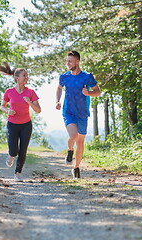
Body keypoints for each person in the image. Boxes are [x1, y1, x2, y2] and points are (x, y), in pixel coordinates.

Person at [55, 51, 101, 179]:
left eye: (70, 61)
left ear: (77, 61)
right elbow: (59, 88)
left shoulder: (87, 77)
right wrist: (57, 101)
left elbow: (98, 91)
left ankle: (76, 168)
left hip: (82, 113)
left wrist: (89, 93)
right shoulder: (64, 77)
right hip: (68, 112)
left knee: (80, 142)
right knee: (73, 135)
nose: (67, 63)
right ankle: (70, 150)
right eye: (67, 61)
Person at [0, 62, 41, 182]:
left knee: (23, 150)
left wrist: (30, 103)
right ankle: (11, 155)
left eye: (27, 76)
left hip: (26, 125)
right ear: (17, 78)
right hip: (12, 124)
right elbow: (2, 106)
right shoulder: (9, 92)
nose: (27, 78)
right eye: (24, 76)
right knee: (13, 150)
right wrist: (8, 111)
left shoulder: (30, 92)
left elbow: (38, 110)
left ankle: (17, 174)